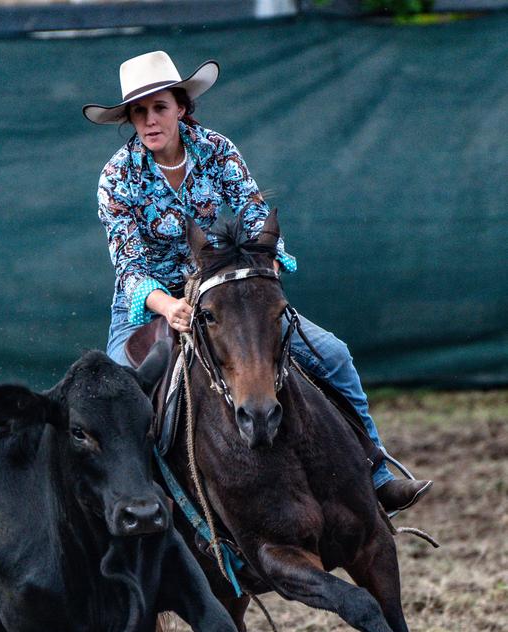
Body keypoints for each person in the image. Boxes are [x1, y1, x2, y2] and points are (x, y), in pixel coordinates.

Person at [83, 51, 431, 513]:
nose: (150, 120)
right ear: (130, 118)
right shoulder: (116, 176)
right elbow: (128, 264)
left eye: (160, 107)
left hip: (228, 292)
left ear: (181, 107)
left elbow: (252, 213)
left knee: (333, 355)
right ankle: (139, 513)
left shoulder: (216, 149)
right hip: (151, 303)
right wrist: (167, 306)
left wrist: (261, 271)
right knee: (121, 400)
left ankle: (378, 473)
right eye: (139, 112)